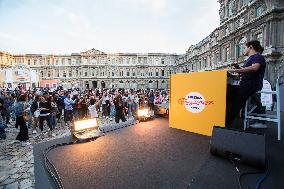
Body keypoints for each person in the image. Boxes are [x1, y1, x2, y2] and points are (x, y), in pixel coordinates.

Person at [226, 40, 266, 127]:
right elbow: (245, 72)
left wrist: (236, 70)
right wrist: (238, 67)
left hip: (251, 84)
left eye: (244, 48)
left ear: (250, 47)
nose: (243, 50)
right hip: (247, 84)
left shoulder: (258, 56)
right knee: (227, 91)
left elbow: (254, 68)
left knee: (237, 100)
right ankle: (240, 112)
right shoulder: (251, 58)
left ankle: (227, 122)